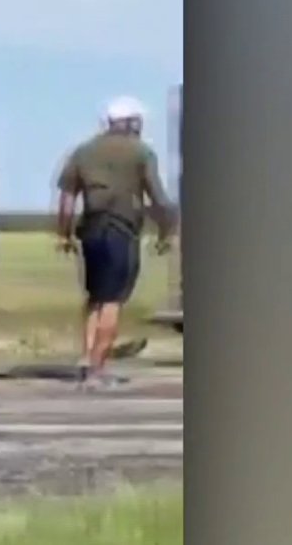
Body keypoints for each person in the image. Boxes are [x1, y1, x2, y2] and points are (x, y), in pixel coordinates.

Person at [55, 95, 175, 390]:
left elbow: (67, 196)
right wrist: (167, 229)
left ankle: (86, 357)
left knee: (95, 296)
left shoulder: (83, 151)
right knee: (113, 300)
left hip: (91, 230)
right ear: (132, 122)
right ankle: (97, 371)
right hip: (121, 230)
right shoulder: (141, 152)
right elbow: (156, 196)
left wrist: (64, 233)